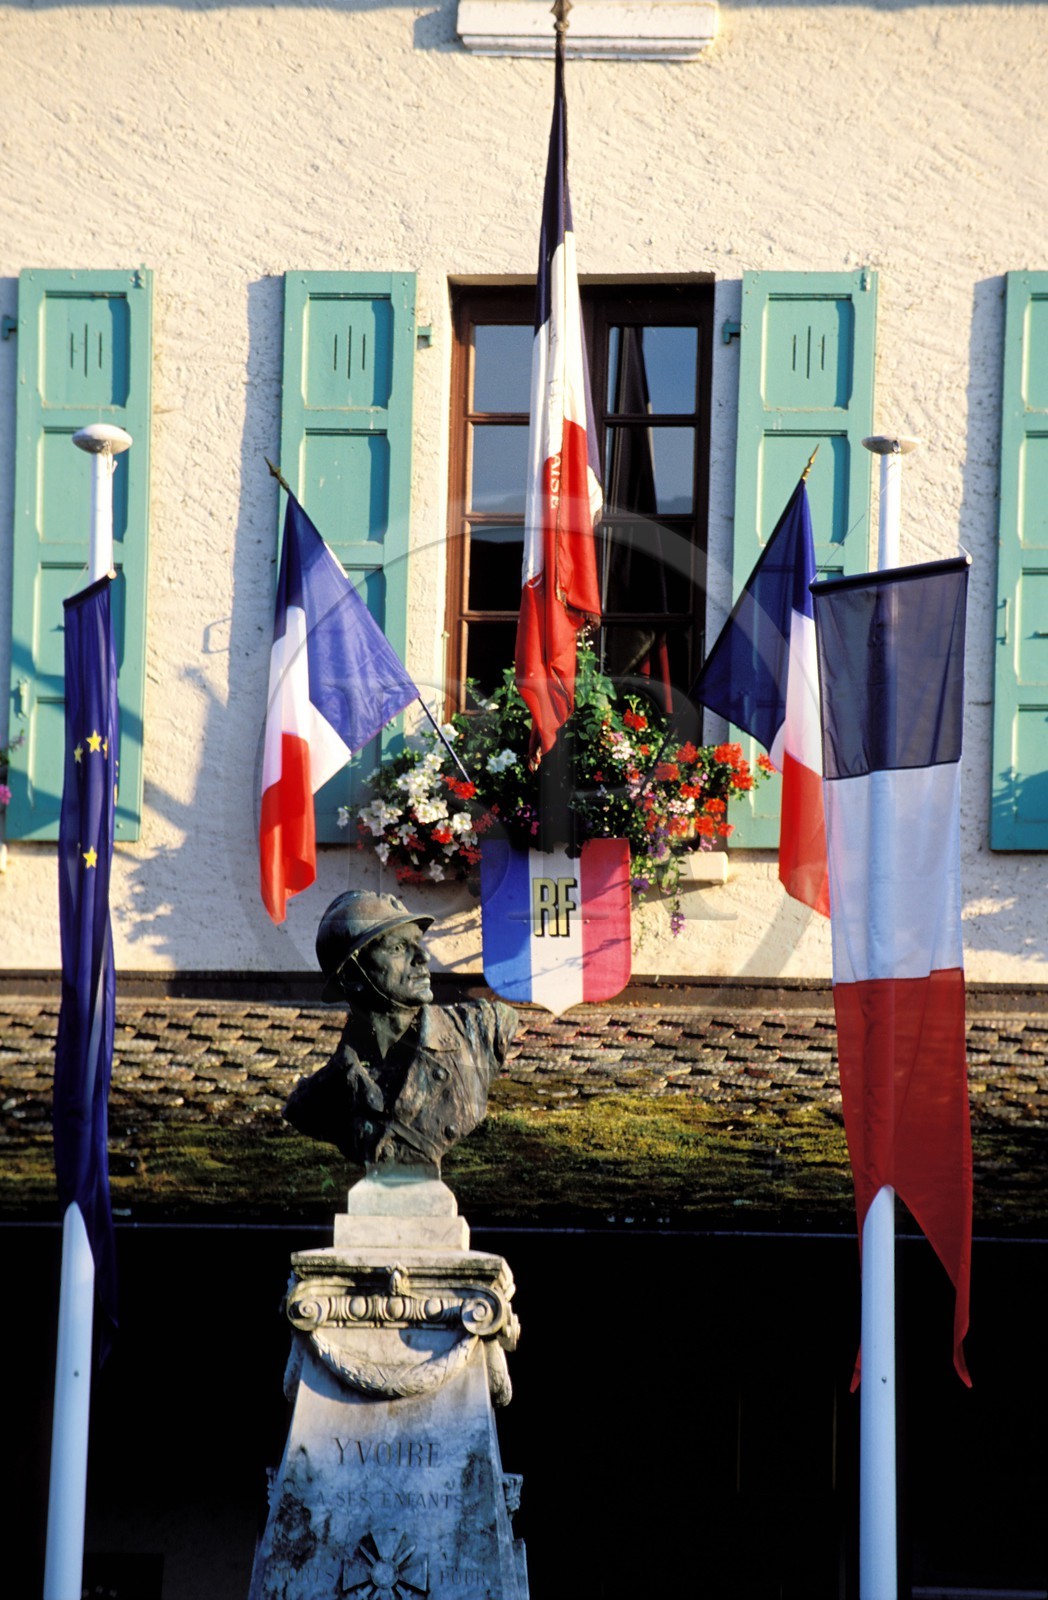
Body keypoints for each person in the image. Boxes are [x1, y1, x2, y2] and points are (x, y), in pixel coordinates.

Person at [284, 890, 517, 1172]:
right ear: (352, 976)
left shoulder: (481, 1031)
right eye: (397, 948)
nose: (423, 957)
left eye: (417, 943)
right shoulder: (318, 1099)